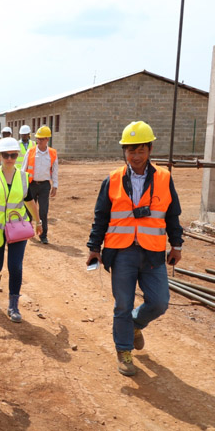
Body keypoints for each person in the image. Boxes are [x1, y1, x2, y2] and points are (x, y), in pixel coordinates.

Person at [86, 121, 183, 377]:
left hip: (152, 252)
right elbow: (100, 216)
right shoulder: (113, 179)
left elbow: (172, 215)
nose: (136, 156)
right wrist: (94, 247)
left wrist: (176, 245)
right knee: (122, 305)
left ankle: (134, 324)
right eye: (131, 151)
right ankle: (124, 351)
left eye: (141, 150)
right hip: (121, 252)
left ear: (150, 150)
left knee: (159, 302)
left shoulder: (164, 178)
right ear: (124, 152)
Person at [0, 137, 41, 322]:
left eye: (13, 155)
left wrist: (38, 221)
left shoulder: (23, 177)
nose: (9, 158)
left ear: (17, 155)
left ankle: (13, 306)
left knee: (15, 267)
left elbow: (29, 201)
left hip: (17, 228)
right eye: (6, 155)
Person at [21, 125, 58, 244]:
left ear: (47, 139)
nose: (39, 141)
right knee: (29, 210)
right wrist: (22, 184)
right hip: (31, 184)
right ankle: (27, 231)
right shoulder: (30, 151)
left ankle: (43, 235)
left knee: (43, 211)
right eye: (38, 138)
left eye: (41, 139)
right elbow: (23, 169)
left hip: (44, 186)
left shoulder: (52, 153)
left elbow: (55, 170)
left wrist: (55, 185)